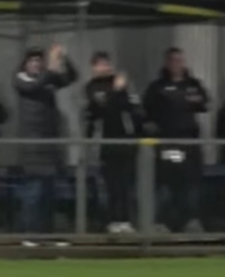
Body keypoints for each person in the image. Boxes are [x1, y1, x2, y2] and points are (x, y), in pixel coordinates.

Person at [13, 44, 78, 246]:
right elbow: (34, 86)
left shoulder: (48, 79)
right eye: (32, 61)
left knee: (50, 191)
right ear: (25, 64)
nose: (36, 64)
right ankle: (31, 233)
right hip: (32, 144)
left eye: (39, 61)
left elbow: (71, 77)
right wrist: (51, 67)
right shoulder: (21, 79)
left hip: (51, 144)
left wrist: (64, 58)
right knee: (34, 190)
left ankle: (48, 233)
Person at [143, 47, 209, 233]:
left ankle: (191, 221)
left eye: (180, 60)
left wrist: (182, 101)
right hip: (165, 141)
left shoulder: (193, 84)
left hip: (189, 143)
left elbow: (203, 103)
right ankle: (160, 223)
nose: (177, 64)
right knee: (164, 185)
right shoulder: (157, 86)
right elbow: (147, 111)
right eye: (173, 60)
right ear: (167, 62)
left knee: (190, 185)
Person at [84, 52, 144, 233]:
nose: (104, 67)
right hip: (105, 143)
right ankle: (112, 220)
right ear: (94, 67)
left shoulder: (124, 85)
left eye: (106, 64)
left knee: (127, 184)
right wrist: (116, 91)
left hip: (126, 141)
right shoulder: (93, 87)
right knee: (110, 185)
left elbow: (134, 108)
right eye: (100, 64)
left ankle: (126, 220)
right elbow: (104, 108)